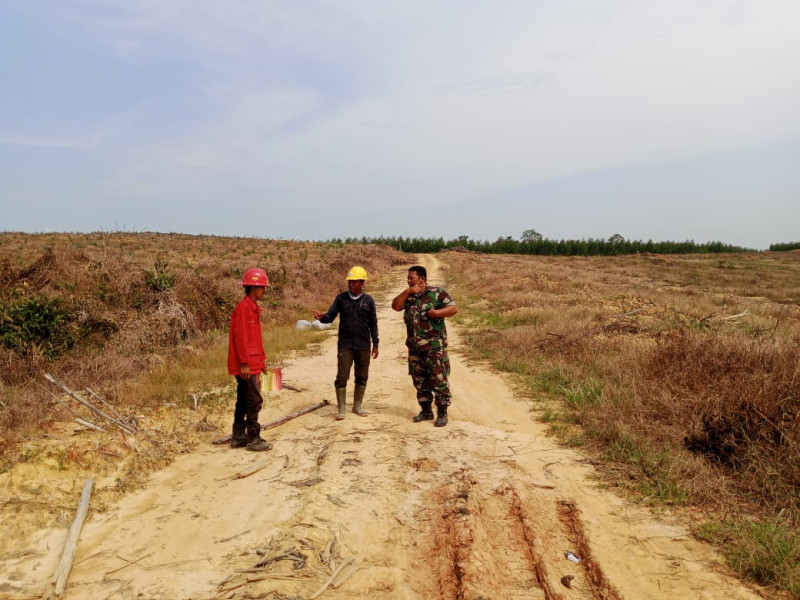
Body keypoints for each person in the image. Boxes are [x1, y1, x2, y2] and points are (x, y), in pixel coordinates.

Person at [391, 265, 458, 427]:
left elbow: (453, 308)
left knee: (438, 379)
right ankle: (426, 410)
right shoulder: (409, 295)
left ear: (422, 279)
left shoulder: (437, 293)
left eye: (411, 278)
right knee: (420, 381)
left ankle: (442, 413)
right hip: (414, 348)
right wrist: (407, 291)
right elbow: (395, 306)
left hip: (435, 347)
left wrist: (436, 314)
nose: (408, 281)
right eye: (408, 278)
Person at [313, 266, 379, 420]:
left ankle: (357, 406)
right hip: (345, 344)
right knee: (342, 376)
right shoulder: (341, 298)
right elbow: (330, 316)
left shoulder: (369, 301)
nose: (351, 285)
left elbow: (373, 323)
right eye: (349, 282)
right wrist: (321, 317)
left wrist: (375, 344)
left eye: (354, 282)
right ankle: (341, 408)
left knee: (362, 375)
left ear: (362, 283)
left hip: (363, 344)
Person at [227, 267, 272, 451]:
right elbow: (240, 338)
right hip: (245, 365)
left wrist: (261, 361)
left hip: (252, 362)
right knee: (254, 400)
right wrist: (244, 363)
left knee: (244, 399)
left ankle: (238, 436)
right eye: (262, 287)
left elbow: (255, 339)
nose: (264, 290)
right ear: (253, 288)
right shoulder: (243, 309)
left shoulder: (252, 309)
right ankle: (254, 438)